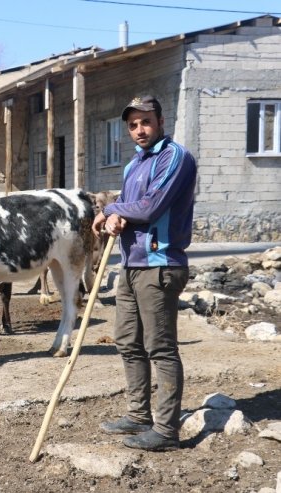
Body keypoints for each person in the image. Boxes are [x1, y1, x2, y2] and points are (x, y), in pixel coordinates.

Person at [92, 95, 197, 451]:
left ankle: (166, 432)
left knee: (161, 348)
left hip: (160, 264)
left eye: (145, 122)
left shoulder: (174, 157)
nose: (139, 129)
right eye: (133, 124)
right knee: (127, 342)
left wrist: (110, 209)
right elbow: (129, 207)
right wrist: (112, 217)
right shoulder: (133, 165)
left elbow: (151, 206)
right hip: (132, 265)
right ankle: (138, 415)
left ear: (161, 121)